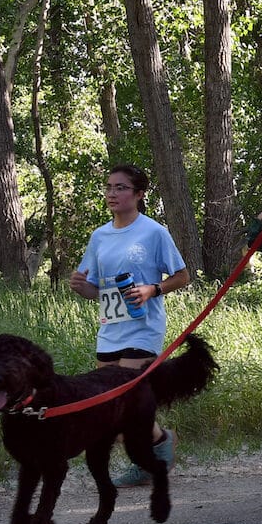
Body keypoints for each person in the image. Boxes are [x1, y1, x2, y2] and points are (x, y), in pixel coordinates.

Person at [69, 164, 191, 486]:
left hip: (143, 329)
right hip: (110, 330)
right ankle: (159, 443)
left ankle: (148, 458)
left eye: (121, 187)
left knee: (121, 403)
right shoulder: (99, 236)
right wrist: (83, 288)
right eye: (109, 187)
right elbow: (96, 289)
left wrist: (154, 289)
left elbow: (183, 275)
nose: (112, 193)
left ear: (139, 195)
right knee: (113, 409)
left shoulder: (154, 232)